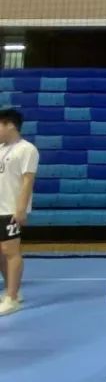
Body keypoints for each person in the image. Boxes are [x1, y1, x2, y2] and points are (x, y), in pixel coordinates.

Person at [0, 108, 38, 316]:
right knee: (1, 252)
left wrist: (21, 208)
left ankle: (12, 299)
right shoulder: (1, 149)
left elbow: (27, 180)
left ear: (10, 125)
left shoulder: (27, 149)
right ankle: (11, 291)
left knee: (10, 251)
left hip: (11, 210)